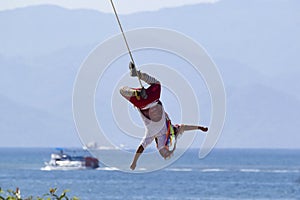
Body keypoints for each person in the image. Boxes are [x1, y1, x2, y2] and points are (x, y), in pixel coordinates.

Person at [120, 62, 208, 170]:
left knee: (156, 83)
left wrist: (200, 128)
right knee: (122, 90)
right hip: (142, 103)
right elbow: (142, 148)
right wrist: (134, 163)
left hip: (152, 98)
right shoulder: (151, 135)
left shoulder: (164, 131)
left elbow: (183, 128)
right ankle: (135, 90)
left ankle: (137, 76)